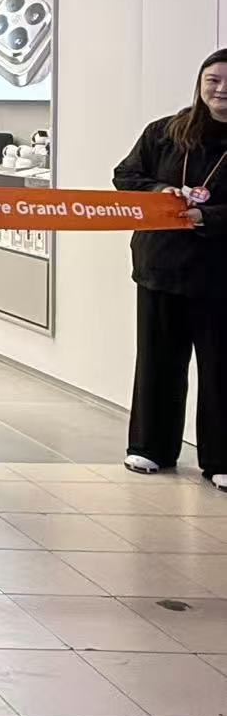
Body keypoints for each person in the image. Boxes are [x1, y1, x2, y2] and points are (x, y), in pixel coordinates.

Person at [114, 47, 227, 487]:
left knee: (220, 370)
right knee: (157, 362)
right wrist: (161, 193)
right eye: (213, 80)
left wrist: (206, 216)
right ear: (200, 84)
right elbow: (126, 176)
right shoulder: (165, 132)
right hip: (159, 267)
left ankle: (220, 459)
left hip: (218, 274)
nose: (221, 90)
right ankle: (150, 448)